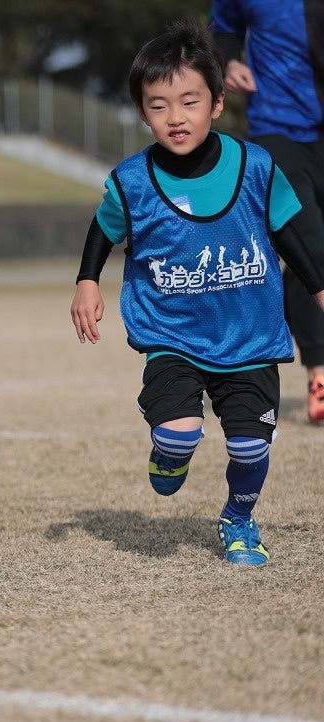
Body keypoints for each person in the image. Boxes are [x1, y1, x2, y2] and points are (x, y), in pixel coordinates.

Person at [70, 20, 324, 566]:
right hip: (174, 336)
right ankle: (168, 454)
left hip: (249, 335)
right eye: (158, 106)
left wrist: (318, 287)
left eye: (189, 101)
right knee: (181, 436)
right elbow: (104, 229)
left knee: (250, 447)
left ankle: (239, 519)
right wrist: (87, 281)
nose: (175, 117)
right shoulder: (132, 181)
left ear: (217, 102)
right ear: (142, 112)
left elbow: (288, 232)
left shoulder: (256, 166)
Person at [210, 1, 324, 423]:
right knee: (310, 248)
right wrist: (228, 60)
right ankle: (320, 375)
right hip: (279, 126)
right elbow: (222, 26)